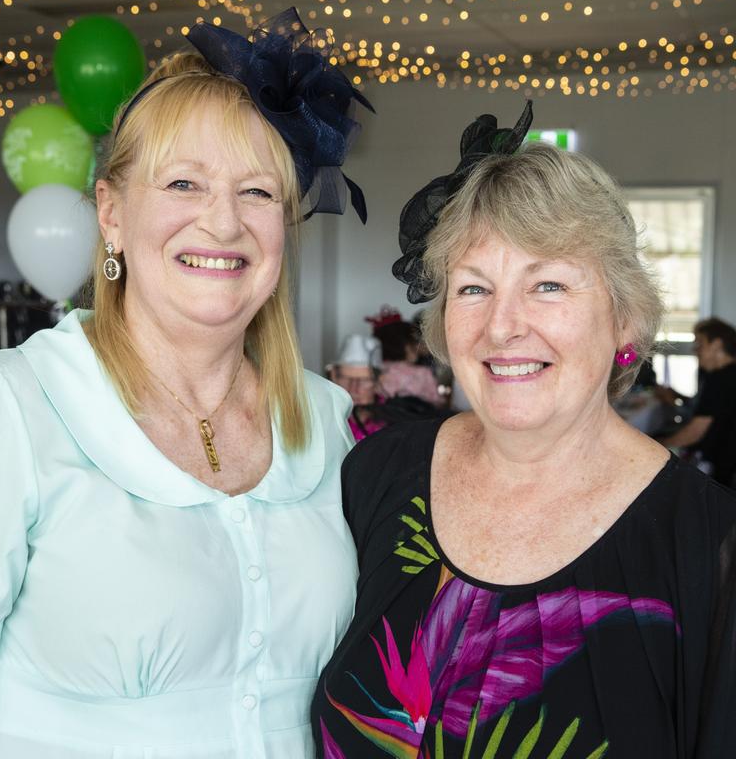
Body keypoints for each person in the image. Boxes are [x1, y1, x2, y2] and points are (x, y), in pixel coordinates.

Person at [0, 8, 372, 758]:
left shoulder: (326, 421)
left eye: (258, 192)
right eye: (184, 183)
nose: (223, 223)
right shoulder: (2, 412)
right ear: (111, 213)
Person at [313, 105, 736, 758]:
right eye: (474, 289)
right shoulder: (373, 476)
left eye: (547, 284)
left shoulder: (708, 549)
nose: (503, 326)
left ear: (625, 322)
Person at [659, 317, 736, 485]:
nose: (696, 350)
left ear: (716, 344)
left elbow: (695, 432)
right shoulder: (720, 375)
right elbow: (707, 410)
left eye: (700, 343)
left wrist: (657, 446)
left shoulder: (722, 379)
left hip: (716, 471)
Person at [365, 305, 443, 406]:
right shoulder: (422, 374)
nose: (417, 346)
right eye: (413, 341)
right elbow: (437, 404)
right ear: (405, 345)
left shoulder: (372, 372)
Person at [327, 334, 387, 442]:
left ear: (378, 382)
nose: (353, 388)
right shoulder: (323, 418)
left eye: (364, 380)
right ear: (333, 377)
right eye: (346, 378)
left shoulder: (392, 423)